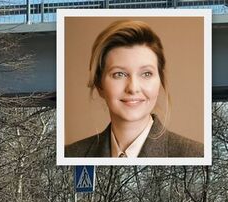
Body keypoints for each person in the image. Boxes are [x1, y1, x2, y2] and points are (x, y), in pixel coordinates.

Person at [65, 20, 202, 158]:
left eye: (146, 74)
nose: (133, 88)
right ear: (99, 84)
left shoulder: (196, 154)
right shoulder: (71, 154)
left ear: (160, 82)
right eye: (119, 74)